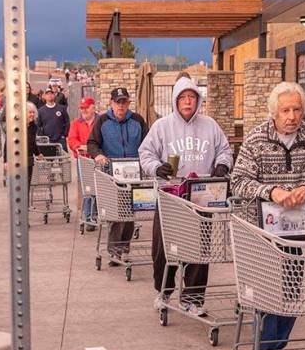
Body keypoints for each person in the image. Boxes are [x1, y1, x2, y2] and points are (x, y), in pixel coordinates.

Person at [230, 81, 305, 350]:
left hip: (299, 229)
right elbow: (238, 181)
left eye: (297, 109)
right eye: (286, 110)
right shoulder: (257, 138)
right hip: (261, 230)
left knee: (291, 292)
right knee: (267, 292)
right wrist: (270, 191)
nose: (291, 116)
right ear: (274, 111)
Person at [139, 75, 233, 314]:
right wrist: (156, 167)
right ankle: (164, 290)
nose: (188, 102)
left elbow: (225, 150)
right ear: (175, 100)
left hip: (201, 196)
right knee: (163, 248)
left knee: (199, 248)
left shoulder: (210, 125)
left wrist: (222, 165)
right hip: (170, 196)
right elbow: (145, 153)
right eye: (183, 97)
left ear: (198, 100)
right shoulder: (162, 126)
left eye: (192, 97)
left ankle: (193, 298)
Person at [87, 87, 148, 262]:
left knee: (129, 214)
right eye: (117, 102)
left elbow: (148, 143)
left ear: (128, 103)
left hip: (134, 174)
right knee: (115, 214)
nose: (121, 106)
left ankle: (124, 247)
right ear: (111, 104)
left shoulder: (138, 120)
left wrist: (146, 159)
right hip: (111, 174)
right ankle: (114, 250)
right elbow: (92, 143)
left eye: (124, 102)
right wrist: (98, 155)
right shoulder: (103, 121)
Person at [68, 95, 99, 230]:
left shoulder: (100, 121)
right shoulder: (76, 122)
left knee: (99, 188)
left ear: (93, 107)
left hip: (97, 159)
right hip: (84, 160)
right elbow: (71, 139)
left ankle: (94, 215)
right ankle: (88, 217)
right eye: (82, 108)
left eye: (86, 108)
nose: (84, 111)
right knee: (87, 189)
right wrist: (80, 147)